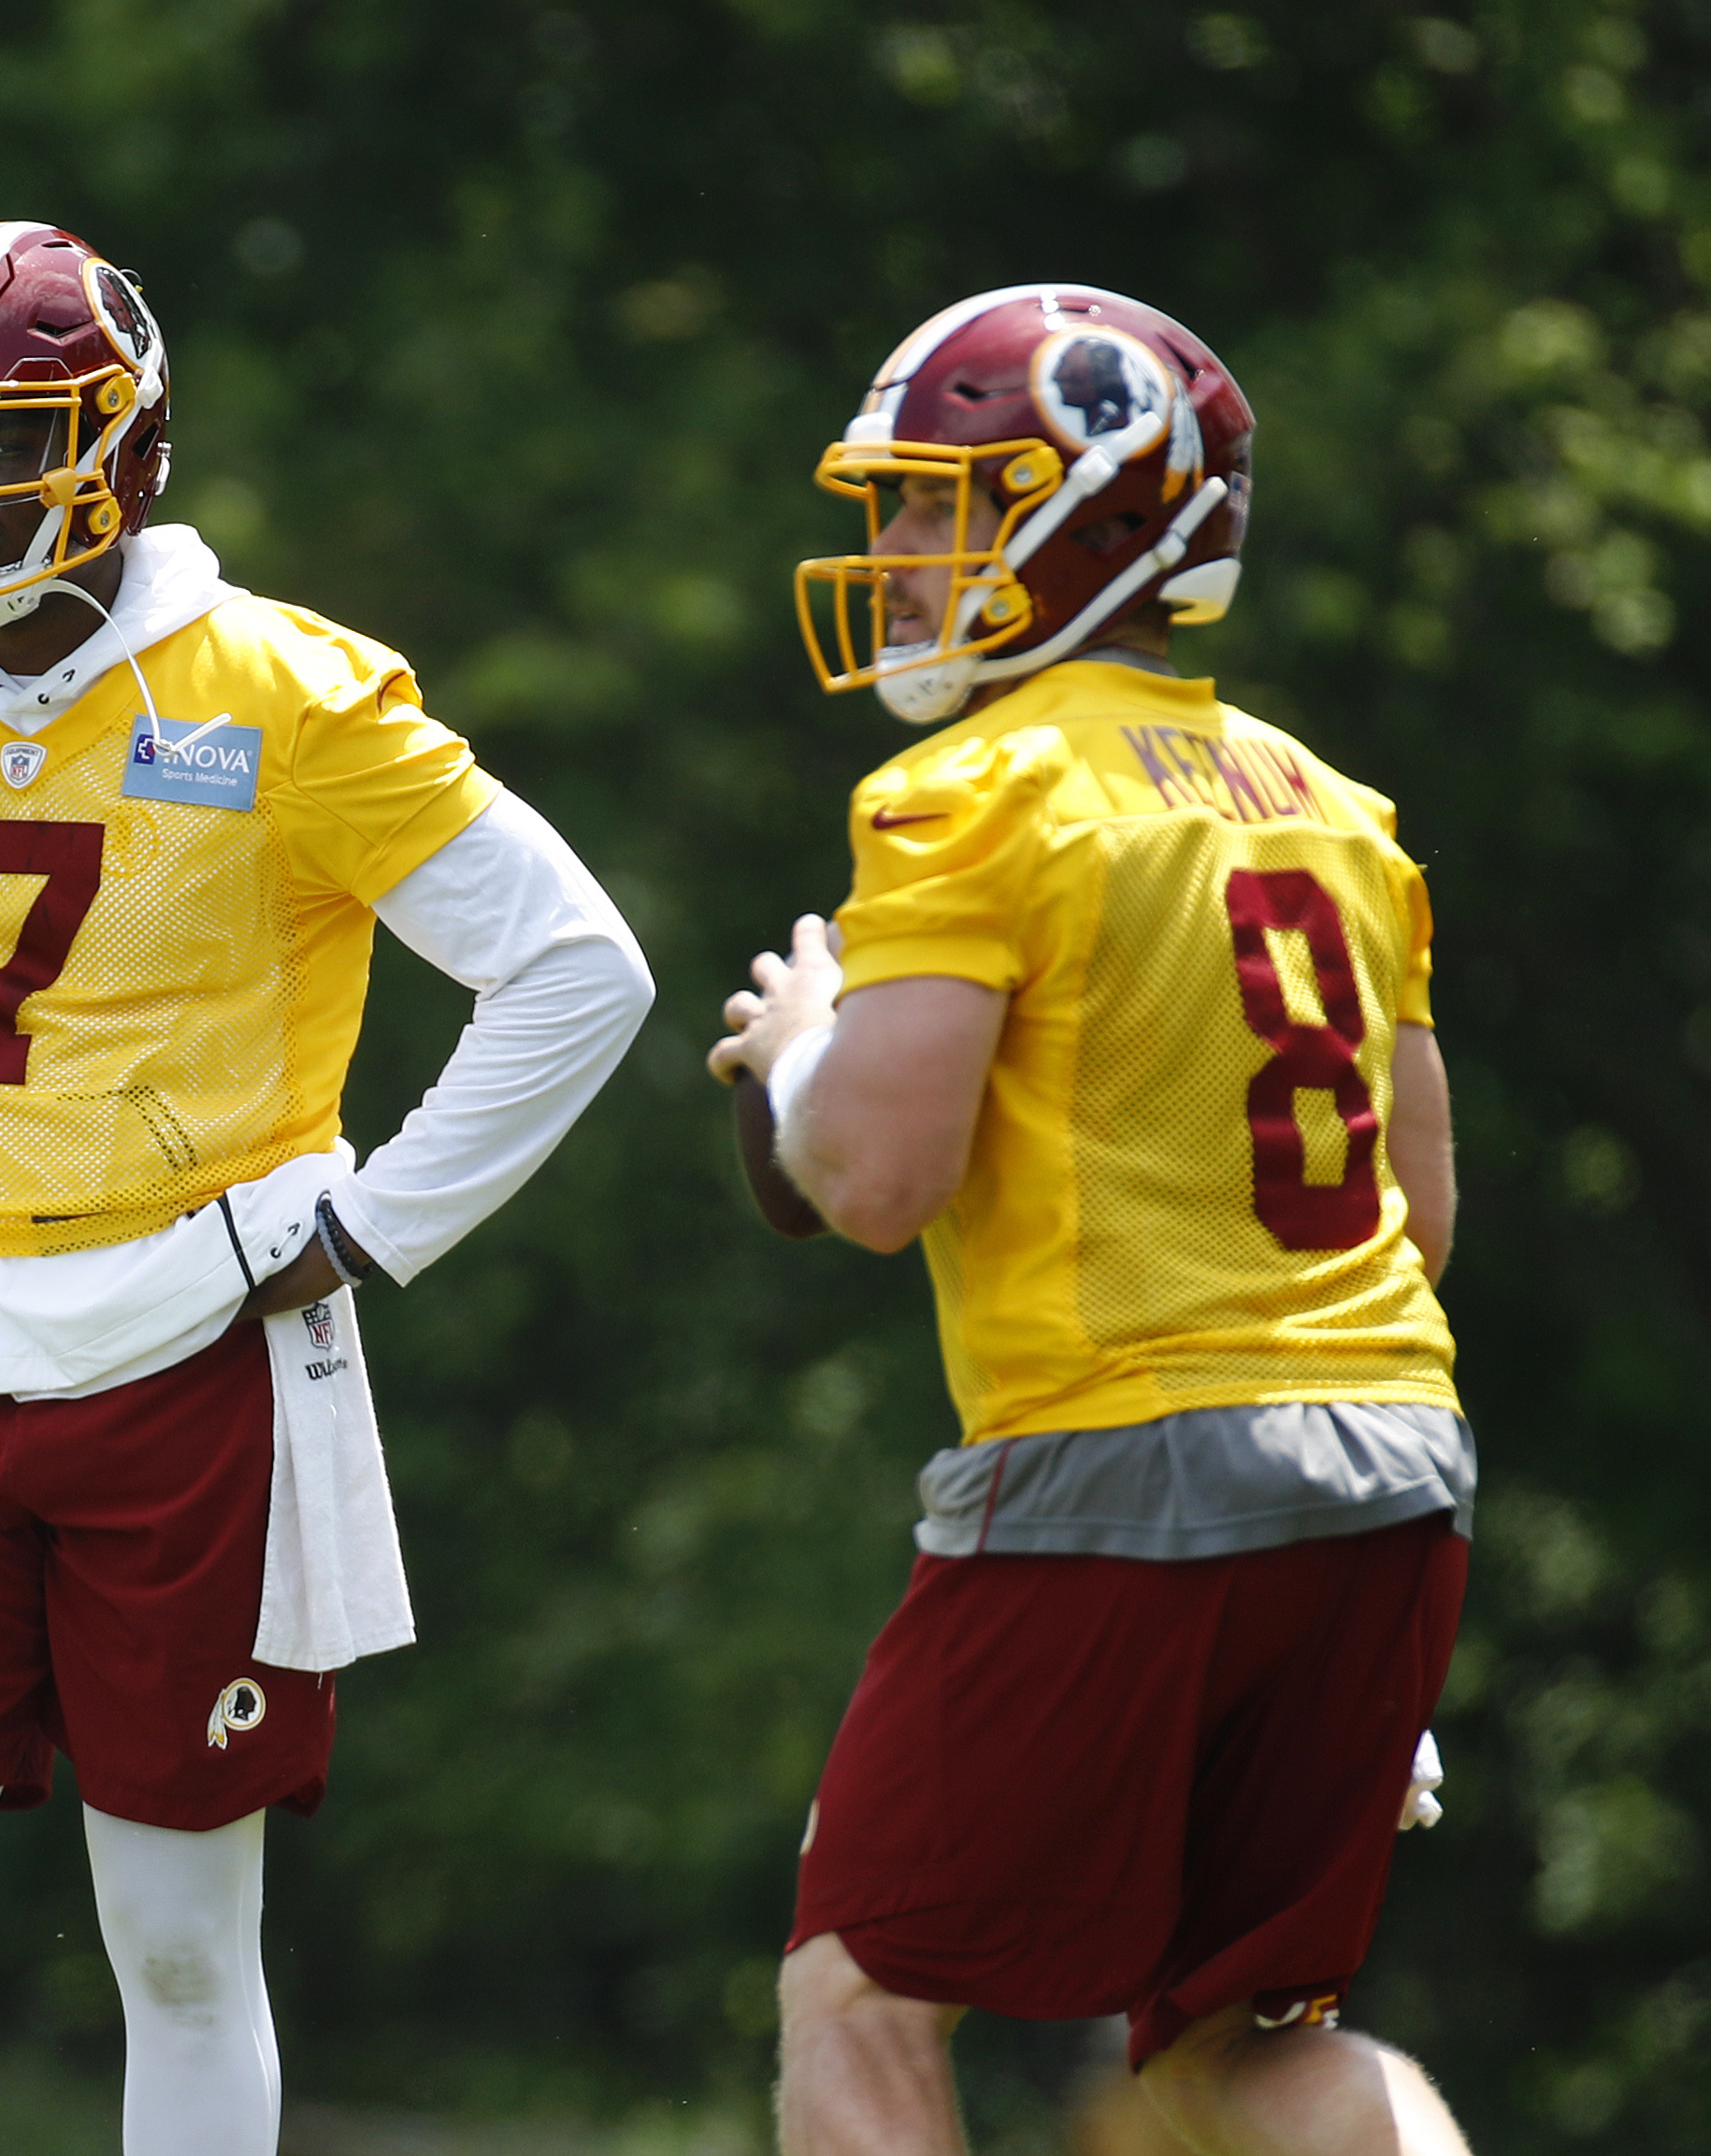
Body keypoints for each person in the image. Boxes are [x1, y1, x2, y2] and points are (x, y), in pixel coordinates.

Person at [0, 220, 653, 2156]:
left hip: (198, 1355)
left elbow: (575, 966)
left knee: (184, 1939)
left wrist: (368, 1224)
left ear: (127, 446)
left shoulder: (286, 692)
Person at [709, 284, 1474, 2156]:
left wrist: (796, 1054)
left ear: (1098, 522)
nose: (891, 551)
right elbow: (1421, 1218)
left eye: (937, 504)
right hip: (1392, 1464)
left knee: (861, 1991)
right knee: (1240, 2039)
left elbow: (871, 1183)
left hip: (1124, 1469)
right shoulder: (1339, 811)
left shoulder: (974, 789)